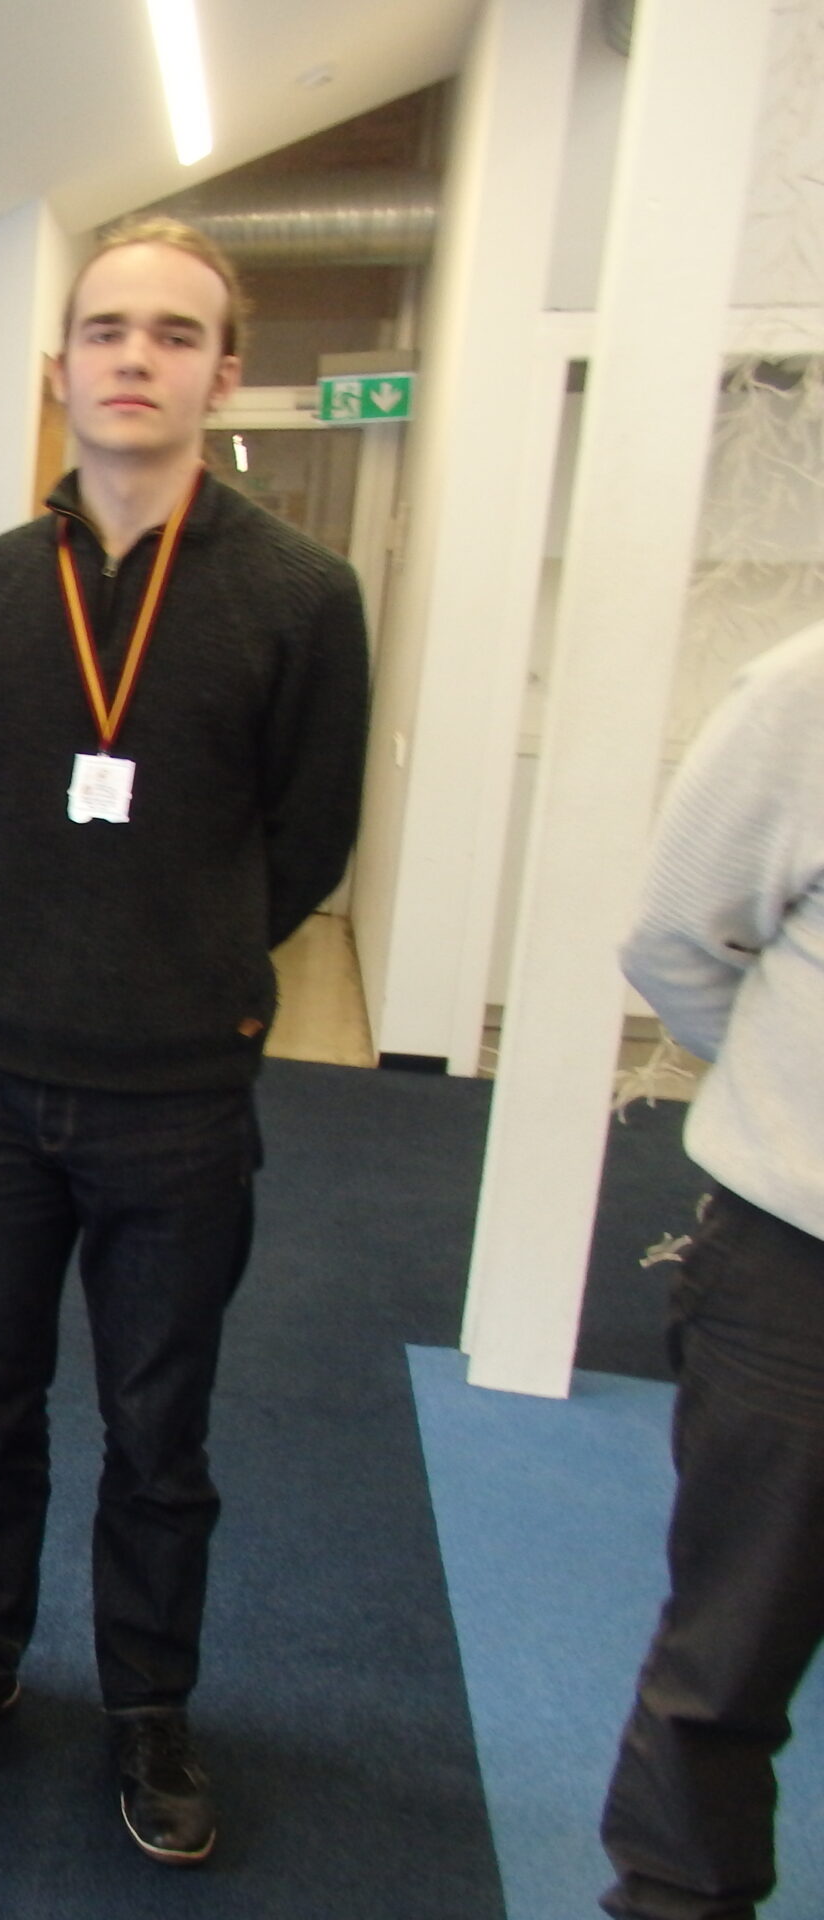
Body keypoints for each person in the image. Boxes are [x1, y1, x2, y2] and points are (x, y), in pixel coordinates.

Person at [0, 215, 369, 1863]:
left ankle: (151, 1708)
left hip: (176, 1089)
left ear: (223, 372)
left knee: (161, 1431)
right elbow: (4, 803)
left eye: (173, 333)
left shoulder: (302, 596)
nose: (136, 357)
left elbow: (309, 842)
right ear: (60, 368)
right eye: (106, 330)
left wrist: (191, 958)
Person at [599, 620, 824, 1920]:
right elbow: (675, 942)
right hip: (802, 1272)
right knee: (728, 1663)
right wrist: (791, 1109)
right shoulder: (806, 693)